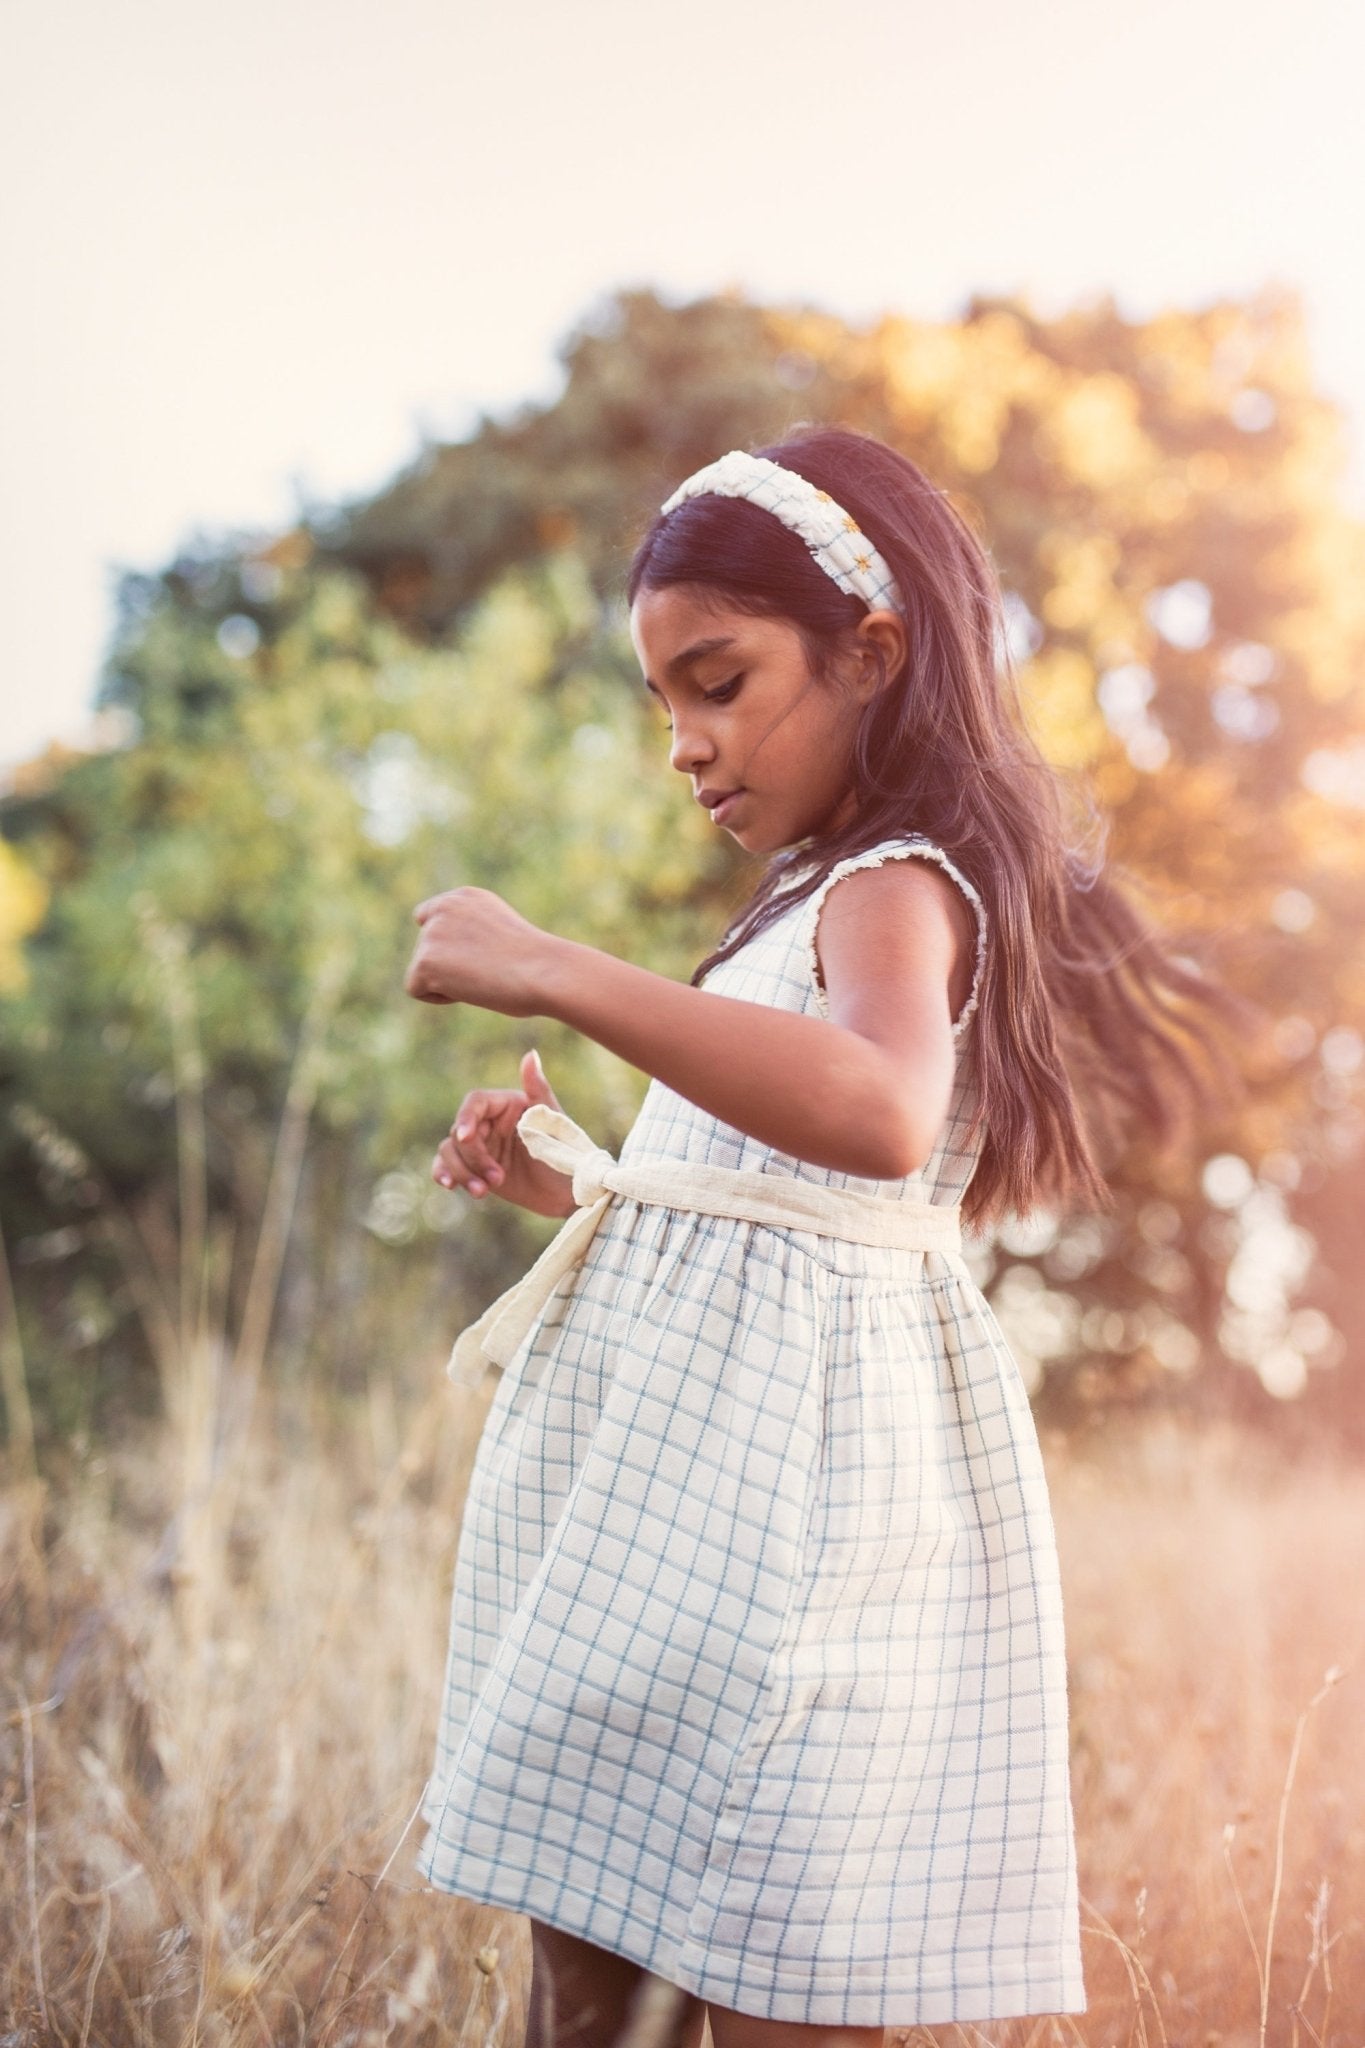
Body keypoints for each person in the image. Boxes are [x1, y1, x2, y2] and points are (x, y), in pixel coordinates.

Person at [403, 430, 1218, 2047]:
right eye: (664, 707)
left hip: (789, 1532)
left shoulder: (896, 884)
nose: (688, 747)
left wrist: (557, 966)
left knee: (773, 1972)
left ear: (869, 653)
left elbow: (875, 1114)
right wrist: (579, 1183)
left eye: (719, 681)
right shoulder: (794, 905)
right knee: (587, 1968)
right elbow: (785, 1196)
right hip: (675, 1513)